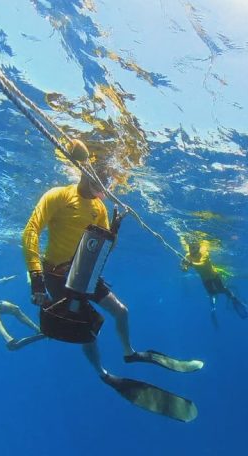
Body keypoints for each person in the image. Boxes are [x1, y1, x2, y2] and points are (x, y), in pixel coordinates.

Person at [22, 140, 202, 422]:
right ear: (86, 170)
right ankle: (103, 373)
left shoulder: (100, 208)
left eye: (109, 180)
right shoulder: (58, 195)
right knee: (86, 329)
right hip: (58, 273)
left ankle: (130, 353)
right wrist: (35, 277)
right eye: (103, 177)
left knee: (121, 311)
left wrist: (114, 231)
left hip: (86, 269)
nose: (106, 185)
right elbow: (31, 232)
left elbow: (104, 248)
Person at [180, 238, 248, 327]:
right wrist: (184, 267)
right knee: (211, 293)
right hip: (205, 279)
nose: (190, 249)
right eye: (189, 247)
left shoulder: (204, 252)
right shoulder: (188, 256)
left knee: (222, 289)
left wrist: (190, 264)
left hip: (214, 276)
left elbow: (202, 264)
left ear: (198, 247)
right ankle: (214, 305)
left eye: (193, 247)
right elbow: (184, 266)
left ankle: (234, 299)